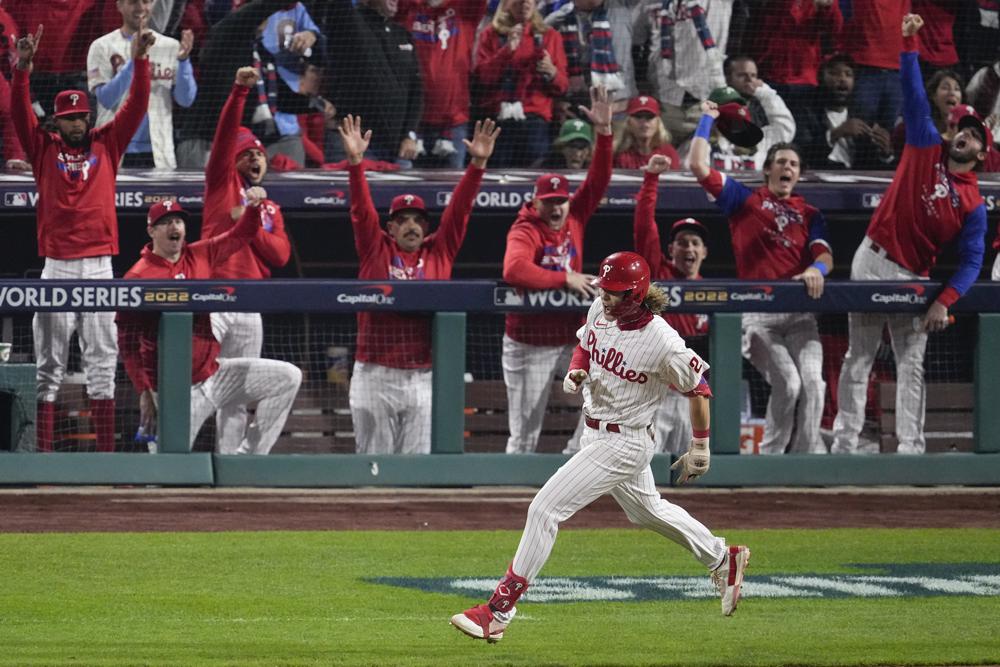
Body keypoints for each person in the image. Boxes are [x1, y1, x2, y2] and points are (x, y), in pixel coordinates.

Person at [450, 251, 750, 642]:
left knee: (544, 509)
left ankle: (499, 609)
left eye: (615, 293)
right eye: (604, 290)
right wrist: (578, 369)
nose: (605, 298)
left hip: (624, 441)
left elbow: (699, 389)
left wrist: (701, 447)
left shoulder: (663, 340)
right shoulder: (599, 309)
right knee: (647, 512)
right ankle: (723, 559)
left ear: (636, 293)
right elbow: (585, 345)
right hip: (596, 431)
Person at [832, 14, 990, 456]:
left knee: (912, 363)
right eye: (964, 130)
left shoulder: (974, 203)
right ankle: (844, 446)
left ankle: (910, 451)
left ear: (982, 153)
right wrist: (908, 41)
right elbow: (914, 93)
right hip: (875, 257)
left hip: (915, 278)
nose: (967, 137)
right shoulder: (924, 144)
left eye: (976, 137)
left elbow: (973, 263)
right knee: (859, 355)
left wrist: (945, 300)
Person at [11, 24, 153, 453]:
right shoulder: (43, 148)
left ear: (89, 117)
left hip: (98, 264)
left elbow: (136, 105)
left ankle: (105, 463)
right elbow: (20, 114)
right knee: (48, 368)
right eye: (69, 117)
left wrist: (141, 61)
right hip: (56, 264)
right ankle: (45, 462)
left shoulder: (106, 144)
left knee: (102, 364)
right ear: (57, 120)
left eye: (81, 116)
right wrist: (23, 69)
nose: (76, 122)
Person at [339, 113, 500, 454]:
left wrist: (477, 166)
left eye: (418, 220)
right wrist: (356, 163)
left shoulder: (439, 251)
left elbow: (460, 211)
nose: (411, 225)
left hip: (422, 376)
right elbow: (360, 210)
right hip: (375, 372)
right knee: (374, 467)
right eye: (402, 220)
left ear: (426, 227)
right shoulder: (375, 249)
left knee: (417, 468)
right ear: (391, 227)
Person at [690, 101, 833, 455]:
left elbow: (824, 254)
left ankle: (806, 459)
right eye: (782, 161)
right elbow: (697, 164)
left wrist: (817, 269)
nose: (788, 167)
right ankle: (770, 458)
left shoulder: (810, 213)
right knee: (789, 383)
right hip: (759, 316)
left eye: (794, 164)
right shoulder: (745, 200)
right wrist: (707, 119)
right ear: (768, 169)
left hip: (801, 315)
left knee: (814, 384)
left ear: (799, 174)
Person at [119, 197, 302, 454]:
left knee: (287, 378)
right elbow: (127, 344)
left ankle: (246, 461)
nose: (176, 227)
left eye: (179, 221)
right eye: (167, 222)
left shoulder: (199, 254)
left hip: (214, 374)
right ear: (151, 231)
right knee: (167, 475)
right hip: (172, 389)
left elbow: (241, 235)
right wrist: (144, 390)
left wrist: (253, 208)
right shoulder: (138, 276)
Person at [501, 85, 613, 454]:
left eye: (560, 201)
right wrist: (564, 277)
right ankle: (514, 490)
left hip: (568, 336)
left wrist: (604, 134)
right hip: (528, 341)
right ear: (536, 202)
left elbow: (597, 181)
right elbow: (515, 269)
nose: (556, 209)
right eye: (548, 202)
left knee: (602, 389)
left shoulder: (575, 214)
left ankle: (573, 460)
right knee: (524, 431)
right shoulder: (526, 227)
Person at [201, 66, 291, 454]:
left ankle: (231, 468)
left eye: (260, 153)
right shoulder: (222, 183)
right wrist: (239, 92)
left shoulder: (269, 206)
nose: (256, 158)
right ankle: (166, 457)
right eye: (247, 154)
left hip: (250, 301)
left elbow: (282, 255)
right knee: (200, 382)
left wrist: (251, 222)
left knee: (235, 396)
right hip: (214, 296)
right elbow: (224, 139)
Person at [635, 154, 709, 453]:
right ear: (670, 250)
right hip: (658, 396)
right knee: (645, 465)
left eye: (694, 243)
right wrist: (650, 179)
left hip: (692, 398)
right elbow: (643, 226)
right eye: (682, 242)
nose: (688, 247)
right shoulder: (659, 273)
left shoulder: (714, 291)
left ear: (704, 252)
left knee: (688, 475)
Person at [88, 0, 197, 169]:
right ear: (119, 6)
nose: (140, 8)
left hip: (158, 151)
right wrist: (135, 60)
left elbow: (186, 100)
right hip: (114, 147)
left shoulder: (169, 46)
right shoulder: (102, 46)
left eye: (146, 2)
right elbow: (106, 99)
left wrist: (183, 62)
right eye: (133, 2)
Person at [320, 0, 423, 167]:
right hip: (354, 144)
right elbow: (335, 6)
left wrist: (410, 135)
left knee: (402, 194)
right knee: (353, 193)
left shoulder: (402, 34)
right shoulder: (347, 23)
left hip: (398, 149)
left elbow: (416, 91)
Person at [474, 0, 568, 167]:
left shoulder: (549, 36)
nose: (524, 4)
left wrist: (551, 71)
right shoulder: (490, 34)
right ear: (506, 4)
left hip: (535, 122)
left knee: (534, 179)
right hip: (498, 122)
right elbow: (483, 78)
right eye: (518, 1)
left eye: (528, 1)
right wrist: (507, 51)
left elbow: (562, 86)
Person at [400, 0, 486, 168]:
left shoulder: (465, 11)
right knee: (408, 191)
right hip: (411, 123)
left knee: (453, 191)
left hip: (453, 124)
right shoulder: (408, 10)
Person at [636, 0, 730, 143]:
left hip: (704, 101)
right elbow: (637, 44)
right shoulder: (649, 3)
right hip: (665, 99)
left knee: (701, 160)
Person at [795, 53, 894, 170]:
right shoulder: (806, 114)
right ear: (821, 79)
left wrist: (885, 153)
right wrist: (836, 134)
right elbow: (803, 156)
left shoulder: (864, 117)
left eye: (848, 74)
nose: (842, 79)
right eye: (834, 73)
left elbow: (872, 166)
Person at [613, 95, 680, 170]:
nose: (644, 123)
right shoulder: (618, 153)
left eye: (649, 117)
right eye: (638, 116)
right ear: (628, 122)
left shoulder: (668, 152)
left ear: (658, 122)